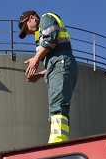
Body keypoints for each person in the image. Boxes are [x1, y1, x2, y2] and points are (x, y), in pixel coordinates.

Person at [19, 9, 79, 144]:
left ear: (32, 18)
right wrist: (40, 75)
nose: (27, 33)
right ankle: (56, 137)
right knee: (55, 104)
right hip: (61, 64)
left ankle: (58, 140)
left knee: (58, 103)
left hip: (62, 63)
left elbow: (50, 39)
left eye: (26, 28)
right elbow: (56, 65)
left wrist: (35, 59)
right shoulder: (40, 34)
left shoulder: (46, 18)